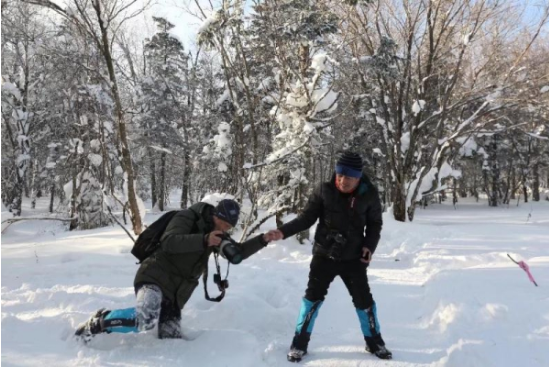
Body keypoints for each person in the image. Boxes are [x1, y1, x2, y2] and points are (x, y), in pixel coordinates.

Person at [75, 199, 278, 342]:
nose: (224, 229)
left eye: (228, 227)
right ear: (215, 215)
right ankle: (100, 322)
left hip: (175, 294)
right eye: (223, 223)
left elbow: (238, 254)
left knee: (171, 342)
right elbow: (170, 242)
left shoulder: (218, 234)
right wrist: (204, 239)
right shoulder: (187, 217)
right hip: (154, 276)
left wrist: (263, 239)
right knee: (145, 317)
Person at [266, 151, 392, 362]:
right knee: (312, 299)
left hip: (354, 258)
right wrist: (283, 231)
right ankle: (299, 344)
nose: (343, 181)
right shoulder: (324, 191)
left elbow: (375, 224)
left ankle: (375, 342)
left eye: (349, 177)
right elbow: (306, 219)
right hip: (324, 255)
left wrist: (369, 246)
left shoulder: (368, 195)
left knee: (364, 301)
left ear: (358, 177)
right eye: (340, 175)